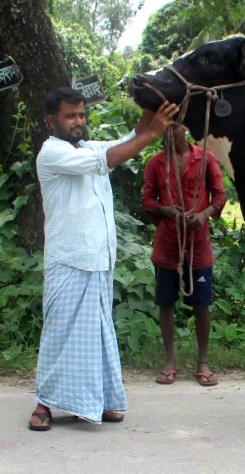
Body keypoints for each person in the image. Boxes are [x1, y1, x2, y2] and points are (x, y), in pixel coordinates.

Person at [28, 86, 179, 432]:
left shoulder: (89, 146)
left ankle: (101, 402)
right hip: (67, 259)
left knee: (97, 333)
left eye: (82, 114)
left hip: (98, 258)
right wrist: (155, 130)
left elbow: (130, 137)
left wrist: (152, 108)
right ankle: (45, 404)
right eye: (70, 116)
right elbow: (109, 159)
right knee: (60, 333)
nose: (79, 121)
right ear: (52, 120)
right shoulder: (51, 153)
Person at [141, 123, 226, 387]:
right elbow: (147, 201)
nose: (168, 133)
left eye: (173, 127)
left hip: (198, 244)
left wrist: (203, 214)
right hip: (167, 244)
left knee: (201, 304)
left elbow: (220, 196)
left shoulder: (205, 158)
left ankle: (203, 362)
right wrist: (167, 211)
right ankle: (170, 361)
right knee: (166, 302)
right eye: (163, 128)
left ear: (184, 129)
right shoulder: (156, 163)